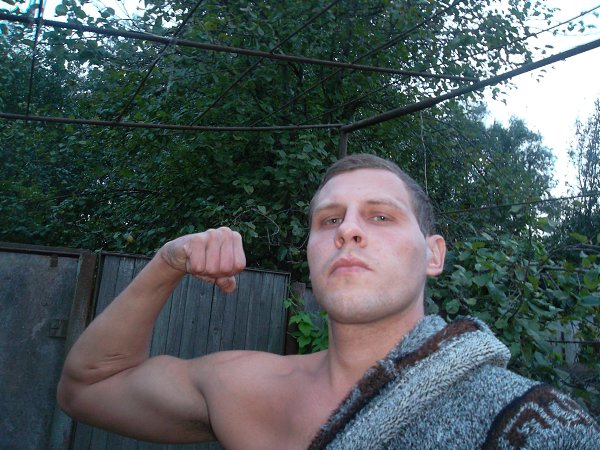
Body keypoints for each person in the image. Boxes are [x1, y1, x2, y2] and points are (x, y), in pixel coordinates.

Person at [58, 153, 599, 449]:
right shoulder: (242, 388)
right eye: (329, 220)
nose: (347, 231)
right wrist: (166, 263)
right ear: (312, 252)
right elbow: (88, 388)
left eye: (380, 216)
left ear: (433, 255)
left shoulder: (529, 424)